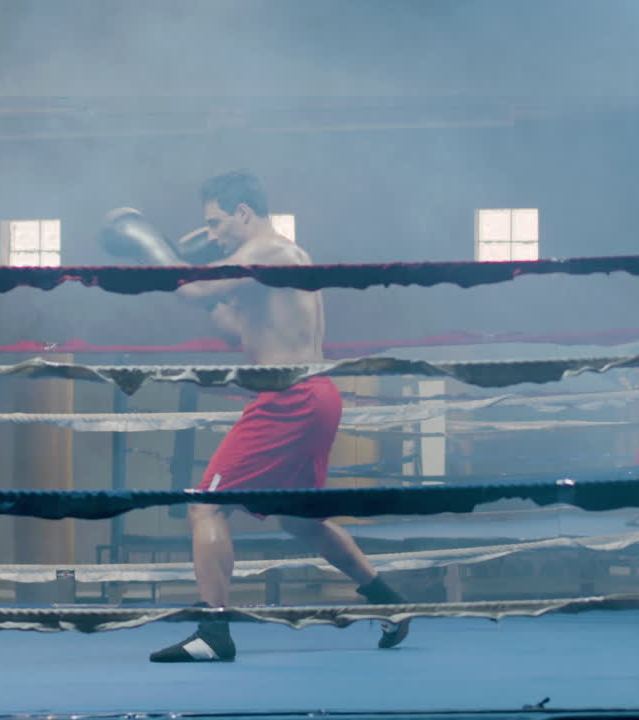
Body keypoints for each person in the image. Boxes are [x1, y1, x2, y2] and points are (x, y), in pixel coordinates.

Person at [100, 170, 410, 663]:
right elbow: (235, 330)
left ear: (243, 212)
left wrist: (152, 249)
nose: (214, 233)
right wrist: (193, 279)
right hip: (310, 395)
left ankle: (213, 632)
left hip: (290, 399)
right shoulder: (271, 268)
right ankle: (389, 601)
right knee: (300, 521)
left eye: (217, 222)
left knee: (206, 504)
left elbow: (196, 292)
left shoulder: (270, 250)